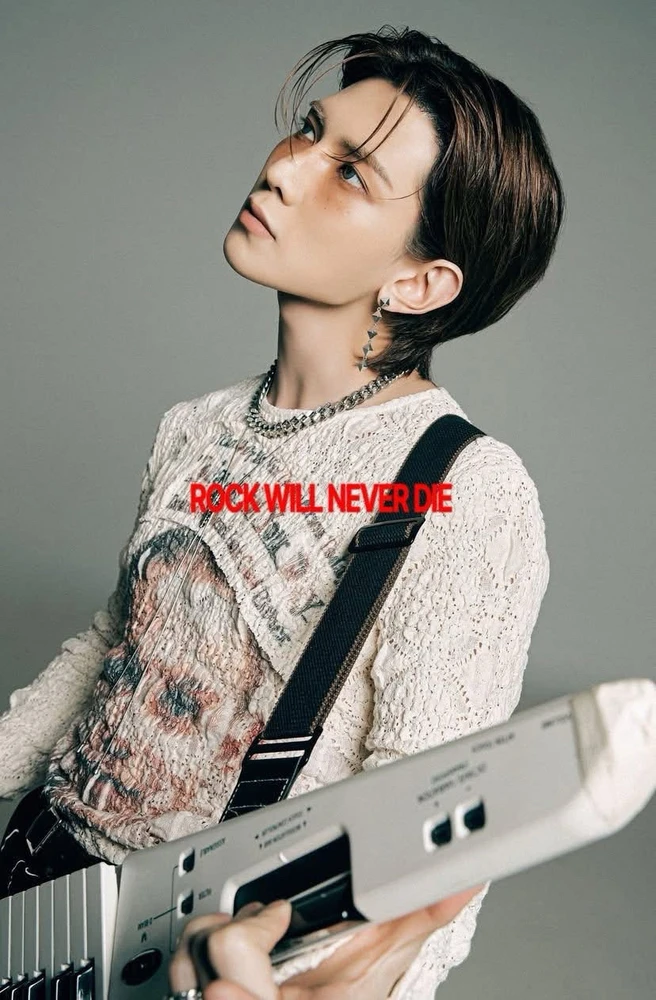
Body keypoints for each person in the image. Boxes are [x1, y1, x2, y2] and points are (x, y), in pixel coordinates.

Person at [0, 25, 563, 1000]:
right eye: (308, 130)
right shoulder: (197, 426)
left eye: (349, 172)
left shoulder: (465, 488)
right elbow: (112, 648)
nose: (284, 167)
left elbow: (438, 826)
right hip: (35, 876)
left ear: (417, 281)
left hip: (185, 954)